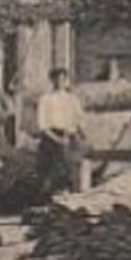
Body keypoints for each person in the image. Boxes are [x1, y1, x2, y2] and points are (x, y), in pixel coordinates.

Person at [34, 67, 87, 196]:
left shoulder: (72, 99)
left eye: (63, 79)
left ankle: (72, 188)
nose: (60, 82)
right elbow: (42, 126)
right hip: (51, 137)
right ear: (52, 80)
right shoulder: (45, 99)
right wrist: (57, 139)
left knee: (77, 158)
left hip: (69, 135)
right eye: (57, 79)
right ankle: (53, 191)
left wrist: (80, 134)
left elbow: (79, 119)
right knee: (56, 160)